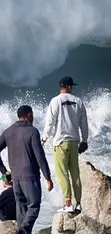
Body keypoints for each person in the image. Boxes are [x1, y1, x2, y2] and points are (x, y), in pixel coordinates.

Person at [0, 105, 54, 234]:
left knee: (22, 206)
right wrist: (48, 177)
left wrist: (4, 172)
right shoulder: (32, 131)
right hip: (30, 176)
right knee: (34, 205)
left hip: (15, 177)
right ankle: (23, 231)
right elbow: (40, 157)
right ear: (29, 115)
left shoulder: (8, 131)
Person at [42, 76, 89, 213]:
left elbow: (50, 123)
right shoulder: (78, 101)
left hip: (61, 142)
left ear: (61, 86)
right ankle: (78, 204)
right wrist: (84, 141)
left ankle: (68, 203)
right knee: (75, 174)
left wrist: (44, 139)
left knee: (62, 174)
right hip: (74, 142)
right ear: (69, 87)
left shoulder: (55, 101)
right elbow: (83, 123)